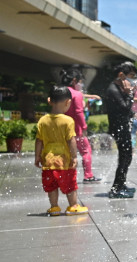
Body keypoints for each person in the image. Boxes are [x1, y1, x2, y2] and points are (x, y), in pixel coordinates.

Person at [34, 86, 89, 216]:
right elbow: (71, 140)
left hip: (47, 161)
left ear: (50, 101)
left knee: (51, 185)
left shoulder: (42, 120)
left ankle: (54, 207)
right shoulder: (68, 121)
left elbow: (39, 141)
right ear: (68, 102)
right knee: (70, 184)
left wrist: (37, 157)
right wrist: (74, 157)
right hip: (64, 161)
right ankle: (73, 206)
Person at [60, 68, 101, 183]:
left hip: (61, 128)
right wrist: (84, 127)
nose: (81, 84)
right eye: (80, 81)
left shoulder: (59, 93)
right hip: (75, 129)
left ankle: (64, 175)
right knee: (86, 151)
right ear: (74, 81)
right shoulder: (76, 94)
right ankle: (88, 176)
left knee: (65, 152)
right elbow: (78, 112)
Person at [104, 61, 137, 199]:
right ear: (121, 75)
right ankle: (116, 188)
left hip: (122, 126)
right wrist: (130, 93)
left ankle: (121, 184)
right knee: (125, 156)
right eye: (131, 75)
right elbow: (124, 107)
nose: (133, 79)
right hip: (118, 127)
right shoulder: (112, 89)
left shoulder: (118, 88)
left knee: (126, 156)